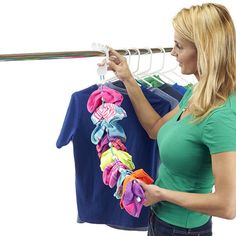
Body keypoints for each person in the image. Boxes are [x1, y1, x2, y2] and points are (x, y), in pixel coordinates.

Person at [98, 3, 236, 236]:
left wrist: (160, 194)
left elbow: (227, 205)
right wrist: (128, 79)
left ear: (204, 50)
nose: (172, 52)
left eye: (179, 46)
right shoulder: (197, 92)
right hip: (161, 221)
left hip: (184, 230)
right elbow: (155, 128)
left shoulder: (220, 115)